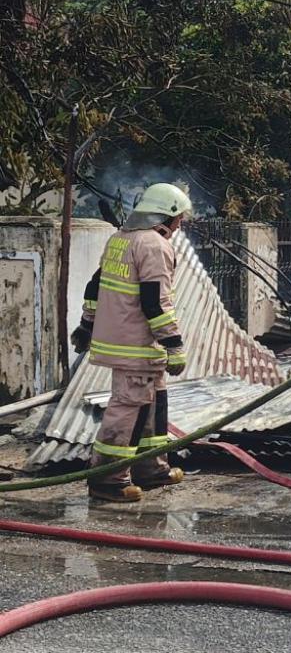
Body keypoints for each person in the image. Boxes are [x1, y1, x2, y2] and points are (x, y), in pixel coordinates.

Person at [70, 183, 192, 503]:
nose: (180, 224)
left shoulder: (118, 240)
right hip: (137, 345)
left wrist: (86, 326)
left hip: (130, 343)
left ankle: (150, 468)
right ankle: (108, 480)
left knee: (154, 405)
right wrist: (174, 344)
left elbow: (96, 286)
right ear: (165, 216)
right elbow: (155, 301)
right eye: (179, 218)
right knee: (127, 410)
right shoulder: (154, 245)